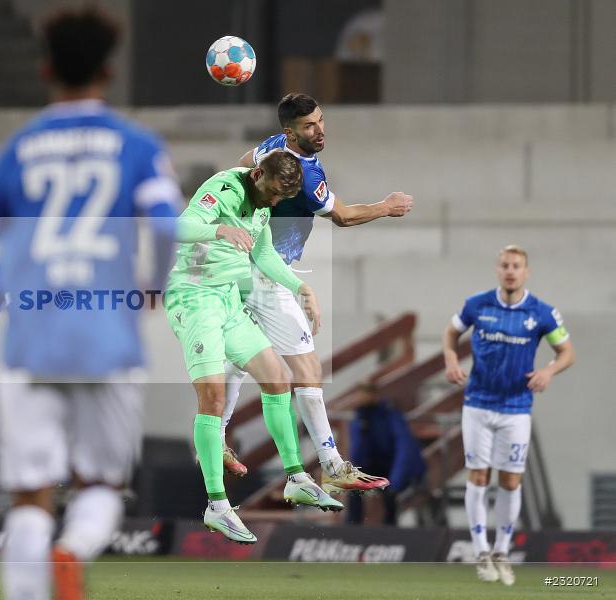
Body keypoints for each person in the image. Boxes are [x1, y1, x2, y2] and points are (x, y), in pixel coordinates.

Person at [0, 7, 180, 600]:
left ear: (45, 69)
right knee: (103, 485)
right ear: (108, 73)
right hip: (108, 338)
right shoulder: (135, 144)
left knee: (30, 496)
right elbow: (166, 227)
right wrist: (153, 287)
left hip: (32, 343)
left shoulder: (18, 148)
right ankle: (73, 549)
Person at [221, 93, 413, 496]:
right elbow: (343, 217)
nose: (320, 130)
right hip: (266, 274)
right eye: (310, 126)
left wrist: (239, 212)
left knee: (240, 358)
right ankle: (331, 465)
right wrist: (385, 206)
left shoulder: (272, 148)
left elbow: (240, 167)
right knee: (307, 370)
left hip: (240, 267)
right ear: (292, 131)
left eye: (321, 120)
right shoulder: (305, 175)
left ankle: (215, 436)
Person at [166, 148, 344, 545]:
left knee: (277, 377)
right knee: (211, 397)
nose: (276, 201)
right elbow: (179, 227)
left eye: (283, 197)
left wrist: (301, 286)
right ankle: (217, 505)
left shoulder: (264, 199)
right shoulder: (225, 188)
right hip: (196, 300)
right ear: (258, 173)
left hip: (227, 299)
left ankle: (297, 477)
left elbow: (262, 252)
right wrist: (219, 230)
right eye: (275, 192)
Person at [443, 245, 575, 586]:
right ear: (497, 270)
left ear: (526, 271)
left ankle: (501, 550)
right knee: (477, 476)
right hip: (478, 404)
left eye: (516, 266)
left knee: (511, 480)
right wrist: (451, 359)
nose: (510, 271)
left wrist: (548, 371)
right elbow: (451, 332)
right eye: (505, 265)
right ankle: (481, 551)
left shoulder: (542, 312)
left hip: (517, 408)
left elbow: (566, 353)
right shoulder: (477, 304)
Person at [345, 383, 426, 526]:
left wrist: (396, 480)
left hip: (397, 468)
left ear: (375, 396)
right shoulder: (360, 418)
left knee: (391, 493)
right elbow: (357, 457)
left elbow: (404, 449)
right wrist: (362, 431)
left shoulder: (391, 415)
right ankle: (352, 528)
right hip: (377, 466)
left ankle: (390, 529)